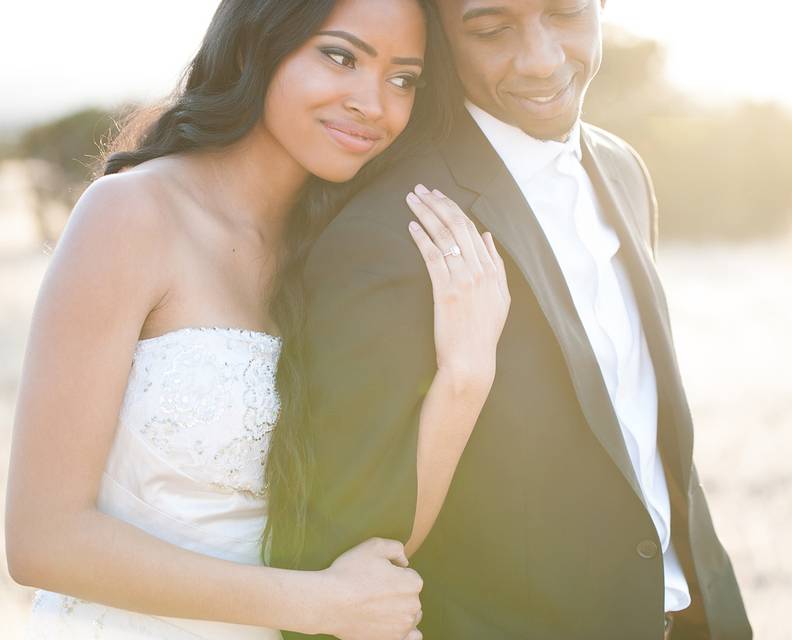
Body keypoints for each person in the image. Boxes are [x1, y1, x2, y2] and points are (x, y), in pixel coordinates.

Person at [4, 1, 510, 639]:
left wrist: (466, 374)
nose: (373, 103)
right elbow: (42, 539)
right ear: (257, 45)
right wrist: (314, 605)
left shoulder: (343, 257)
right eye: (341, 56)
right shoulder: (131, 214)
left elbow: (376, 541)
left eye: (403, 79)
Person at [272, 1, 753, 638]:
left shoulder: (623, 170)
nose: (542, 59)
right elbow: (347, 542)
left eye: (566, 13)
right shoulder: (391, 229)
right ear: (440, 39)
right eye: (492, 29)